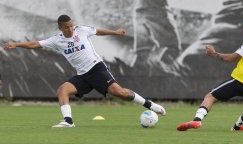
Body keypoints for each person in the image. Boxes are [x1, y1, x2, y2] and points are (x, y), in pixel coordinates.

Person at [4, 14, 166, 128]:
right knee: (62, 90)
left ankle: (150, 105)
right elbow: (35, 44)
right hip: (82, 75)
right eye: (66, 27)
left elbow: (98, 31)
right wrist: (16, 44)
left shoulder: (81, 30)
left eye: (71, 25)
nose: (70, 29)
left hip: (97, 68)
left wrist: (115, 32)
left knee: (121, 93)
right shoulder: (57, 40)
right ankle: (68, 121)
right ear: (60, 27)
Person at [177, 18, 243, 131]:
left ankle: (197, 120)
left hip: (241, 81)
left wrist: (213, 53)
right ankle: (237, 127)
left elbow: (232, 58)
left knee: (210, 96)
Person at [130, 0, 204, 66]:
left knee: (142, 53)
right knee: (173, 48)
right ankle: (161, 76)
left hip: (139, 11)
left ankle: (129, 80)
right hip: (157, 10)